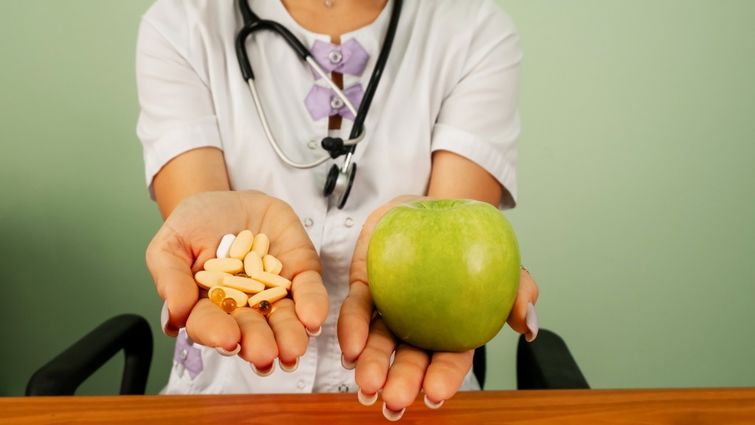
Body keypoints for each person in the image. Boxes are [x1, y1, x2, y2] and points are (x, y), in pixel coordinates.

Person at [136, 0, 539, 420]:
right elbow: (214, 244)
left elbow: (456, 227)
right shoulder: (181, 25)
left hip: (405, 386)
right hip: (228, 388)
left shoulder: (474, 30)